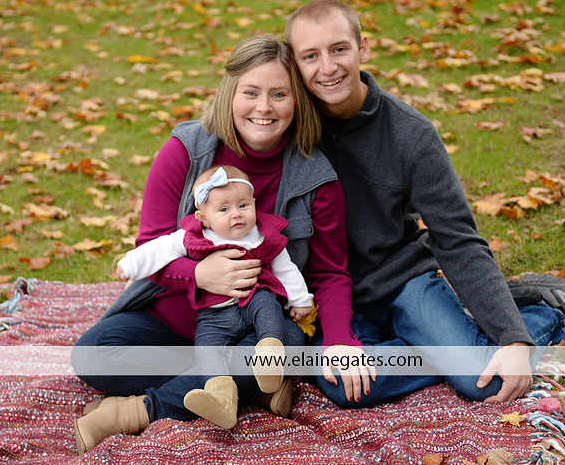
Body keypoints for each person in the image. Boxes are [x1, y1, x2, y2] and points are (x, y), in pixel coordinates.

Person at [71, 34, 369, 454]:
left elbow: (330, 272)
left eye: (279, 94)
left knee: (276, 349)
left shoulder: (315, 178)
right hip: (174, 320)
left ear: (297, 101)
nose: (264, 108)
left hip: (261, 325)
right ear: (230, 92)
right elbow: (151, 244)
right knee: (91, 356)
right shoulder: (185, 152)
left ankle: (137, 411)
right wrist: (199, 274)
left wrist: (339, 341)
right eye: (251, 92)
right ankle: (251, 388)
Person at [284, 0, 565, 407]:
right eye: (311, 56)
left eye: (339, 49)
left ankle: (539, 315)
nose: (327, 67)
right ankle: (458, 344)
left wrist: (513, 338)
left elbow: (457, 239)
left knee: (482, 380)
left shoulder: (411, 134)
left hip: (402, 279)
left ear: (363, 48)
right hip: (330, 295)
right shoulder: (287, 125)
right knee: (341, 385)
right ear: (294, 64)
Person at [115, 164, 314, 429]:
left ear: (254, 204)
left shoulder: (264, 236)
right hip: (214, 315)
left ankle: (269, 356)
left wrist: (300, 301)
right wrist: (129, 265)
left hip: (254, 298)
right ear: (203, 218)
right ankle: (222, 398)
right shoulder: (192, 237)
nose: (236, 214)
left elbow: (286, 269)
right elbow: (158, 249)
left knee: (268, 309)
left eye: (243, 205)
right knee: (207, 349)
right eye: (224, 209)